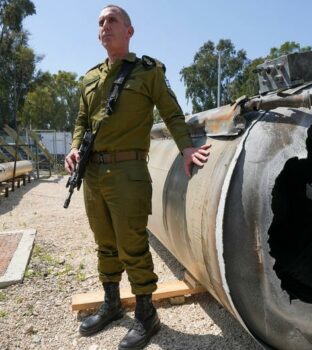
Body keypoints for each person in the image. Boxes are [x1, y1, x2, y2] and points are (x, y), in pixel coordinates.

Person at [65, 4, 210, 350]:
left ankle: (148, 317)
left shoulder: (148, 72)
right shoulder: (89, 78)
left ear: (129, 31)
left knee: (132, 244)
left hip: (128, 171)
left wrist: (187, 148)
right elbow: (82, 122)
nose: (105, 26)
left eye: (112, 20)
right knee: (105, 243)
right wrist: (73, 148)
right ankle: (113, 304)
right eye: (100, 22)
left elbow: (173, 113)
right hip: (93, 173)